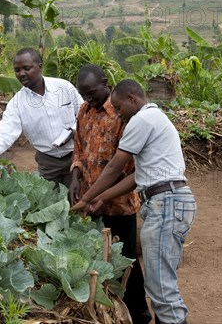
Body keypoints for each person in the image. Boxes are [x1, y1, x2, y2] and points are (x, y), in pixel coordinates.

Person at [71, 79, 196, 324]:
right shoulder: (155, 119)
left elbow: (115, 165)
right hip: (169, 200)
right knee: (160, 280)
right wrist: (99, 198)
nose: (117, 114)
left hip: (166, 203)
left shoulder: (142, 120)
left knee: (161, 284)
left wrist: (85, 199)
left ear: (131, 99)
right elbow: (136, 178)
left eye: (118, 108)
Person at [70, 64, 152, 324]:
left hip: (119, 204)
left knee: (125, 260)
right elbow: (79, 149)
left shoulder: (122, 114)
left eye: (92, 93)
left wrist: (97, 194)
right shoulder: (83, 111)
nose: (88, 99)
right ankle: (108, 312)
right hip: (91, 203)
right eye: (83, 94)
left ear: (105, 83)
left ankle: (139, 314)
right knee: (98, 259)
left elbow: (123, 166)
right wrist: (75, 176)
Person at [0, 47, 83, 188]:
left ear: (40, 67)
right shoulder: (17, 103)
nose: (22, 74)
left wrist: (73, 130)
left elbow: (84, 114)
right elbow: (5, 130)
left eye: (26, 68)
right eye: (17, 70)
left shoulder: (63, 87)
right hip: (48, 162)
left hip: (76, 155)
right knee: (51, 201)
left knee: (78, 198)